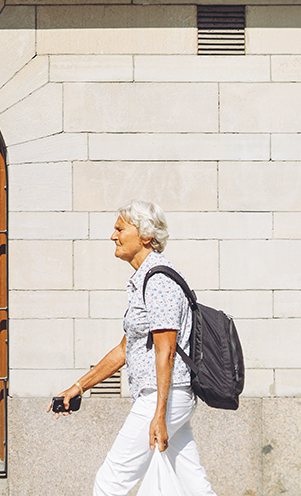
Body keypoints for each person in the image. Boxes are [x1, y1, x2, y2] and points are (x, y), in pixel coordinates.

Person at [48, 200, 218, 495]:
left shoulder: (160, 280)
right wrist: (78, 387)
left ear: (146, 236)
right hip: (168, 397)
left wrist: (159, 415)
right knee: (195, 486)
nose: (113, 236)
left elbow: (165, 351)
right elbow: (125, 350)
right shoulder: (144, 280)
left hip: (161, 396)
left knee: (109, 482)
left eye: (119, 228)